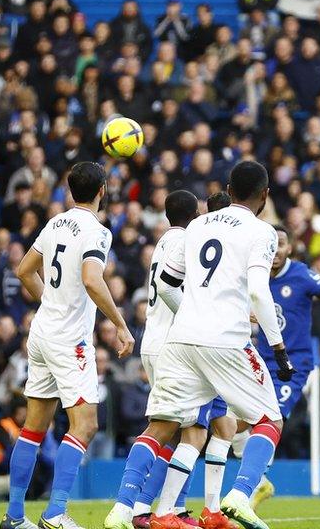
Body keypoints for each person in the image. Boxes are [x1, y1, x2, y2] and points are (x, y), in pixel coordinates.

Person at [106, 161, 295, 529]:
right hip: (226, 340)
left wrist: (194, 310)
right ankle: (240, 494)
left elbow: (167, 279)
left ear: (228, 186)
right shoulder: (262, 231)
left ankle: (123, 509)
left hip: (181, 339)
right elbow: (258, 289)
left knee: (160, 427)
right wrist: (278, 348)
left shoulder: (195, 226)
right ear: (265, 195)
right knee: (269, 419)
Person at [0, 162, 135, 529]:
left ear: (71, 190)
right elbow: (93, 280)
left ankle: (14, 516)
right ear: (103, 191)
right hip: (69, 339)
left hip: (42, 333)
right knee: (86, 424)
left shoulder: (55, 222)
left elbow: (24, 270)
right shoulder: (97, 231)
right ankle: (56, 512)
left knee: (33, 426)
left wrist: (50, 303)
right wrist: (120, 323)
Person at [105, 190, 239, 529]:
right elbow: (169, 287)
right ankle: (128, 507)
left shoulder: (164, 241)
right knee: (170, 429)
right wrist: (195, 318)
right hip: (172, 345)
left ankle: (157, 509)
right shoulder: (187, 241)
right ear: (195, 213)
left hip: (155, 339)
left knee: (185, 430)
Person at [246, 225, 320, 507]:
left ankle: (250, 484)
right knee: (237, 422)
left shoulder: (302, 274)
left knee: (272, 416)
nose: (275, 251)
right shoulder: (253, 276)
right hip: (258, 361)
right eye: (271, 245)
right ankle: (258, 482)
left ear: (290, 247)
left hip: (293, 364)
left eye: (281, 244)